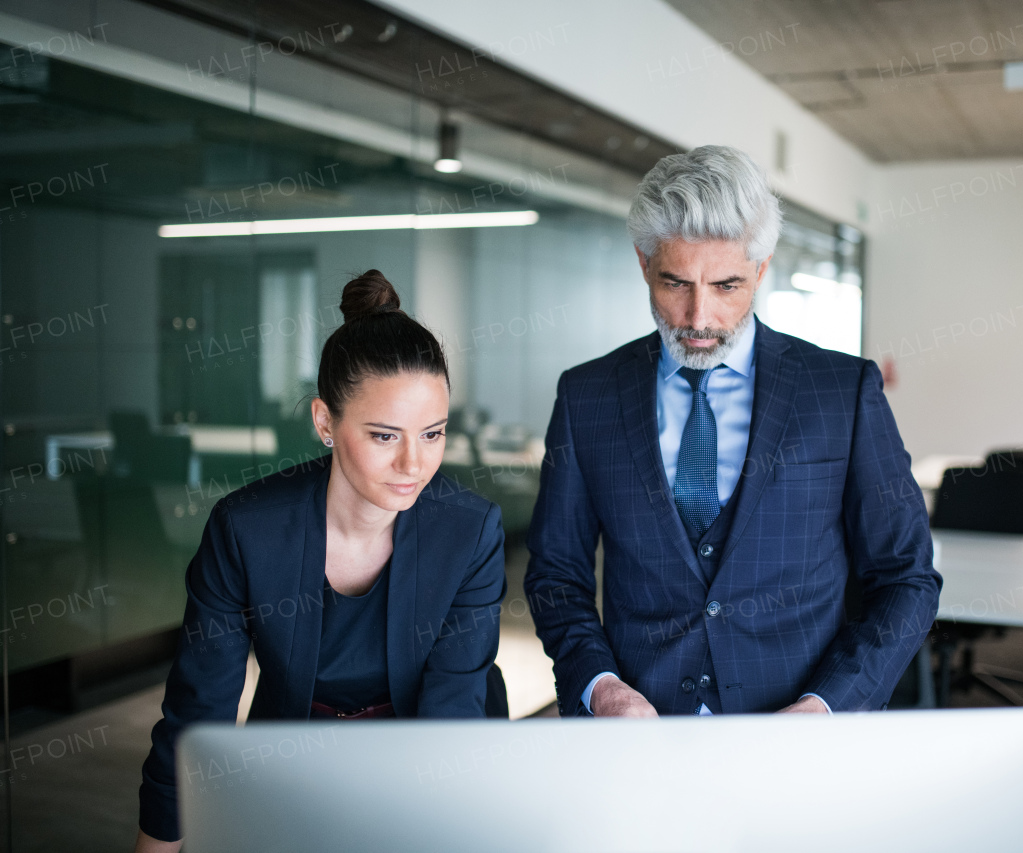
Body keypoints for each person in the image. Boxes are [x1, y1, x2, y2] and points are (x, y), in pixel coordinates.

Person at [525, 146, 940, 717]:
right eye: (676, 284)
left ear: (760, 270)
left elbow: (905, 578)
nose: (699, 318)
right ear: (644, 263)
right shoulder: (586, 396)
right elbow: (556, 576)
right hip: (637, 735)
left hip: (800, 735)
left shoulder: (843, 392)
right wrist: (601, 688)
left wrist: (827, 706)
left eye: (726, 286)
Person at [135, 271, 507, 851]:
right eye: (385, 436)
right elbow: (197, 712)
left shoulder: (469, 530)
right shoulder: (246, 529)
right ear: (324, 421)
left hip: (431, 769)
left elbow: (453, 712)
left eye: (432, 433)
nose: (414, 463)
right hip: (289, 763)